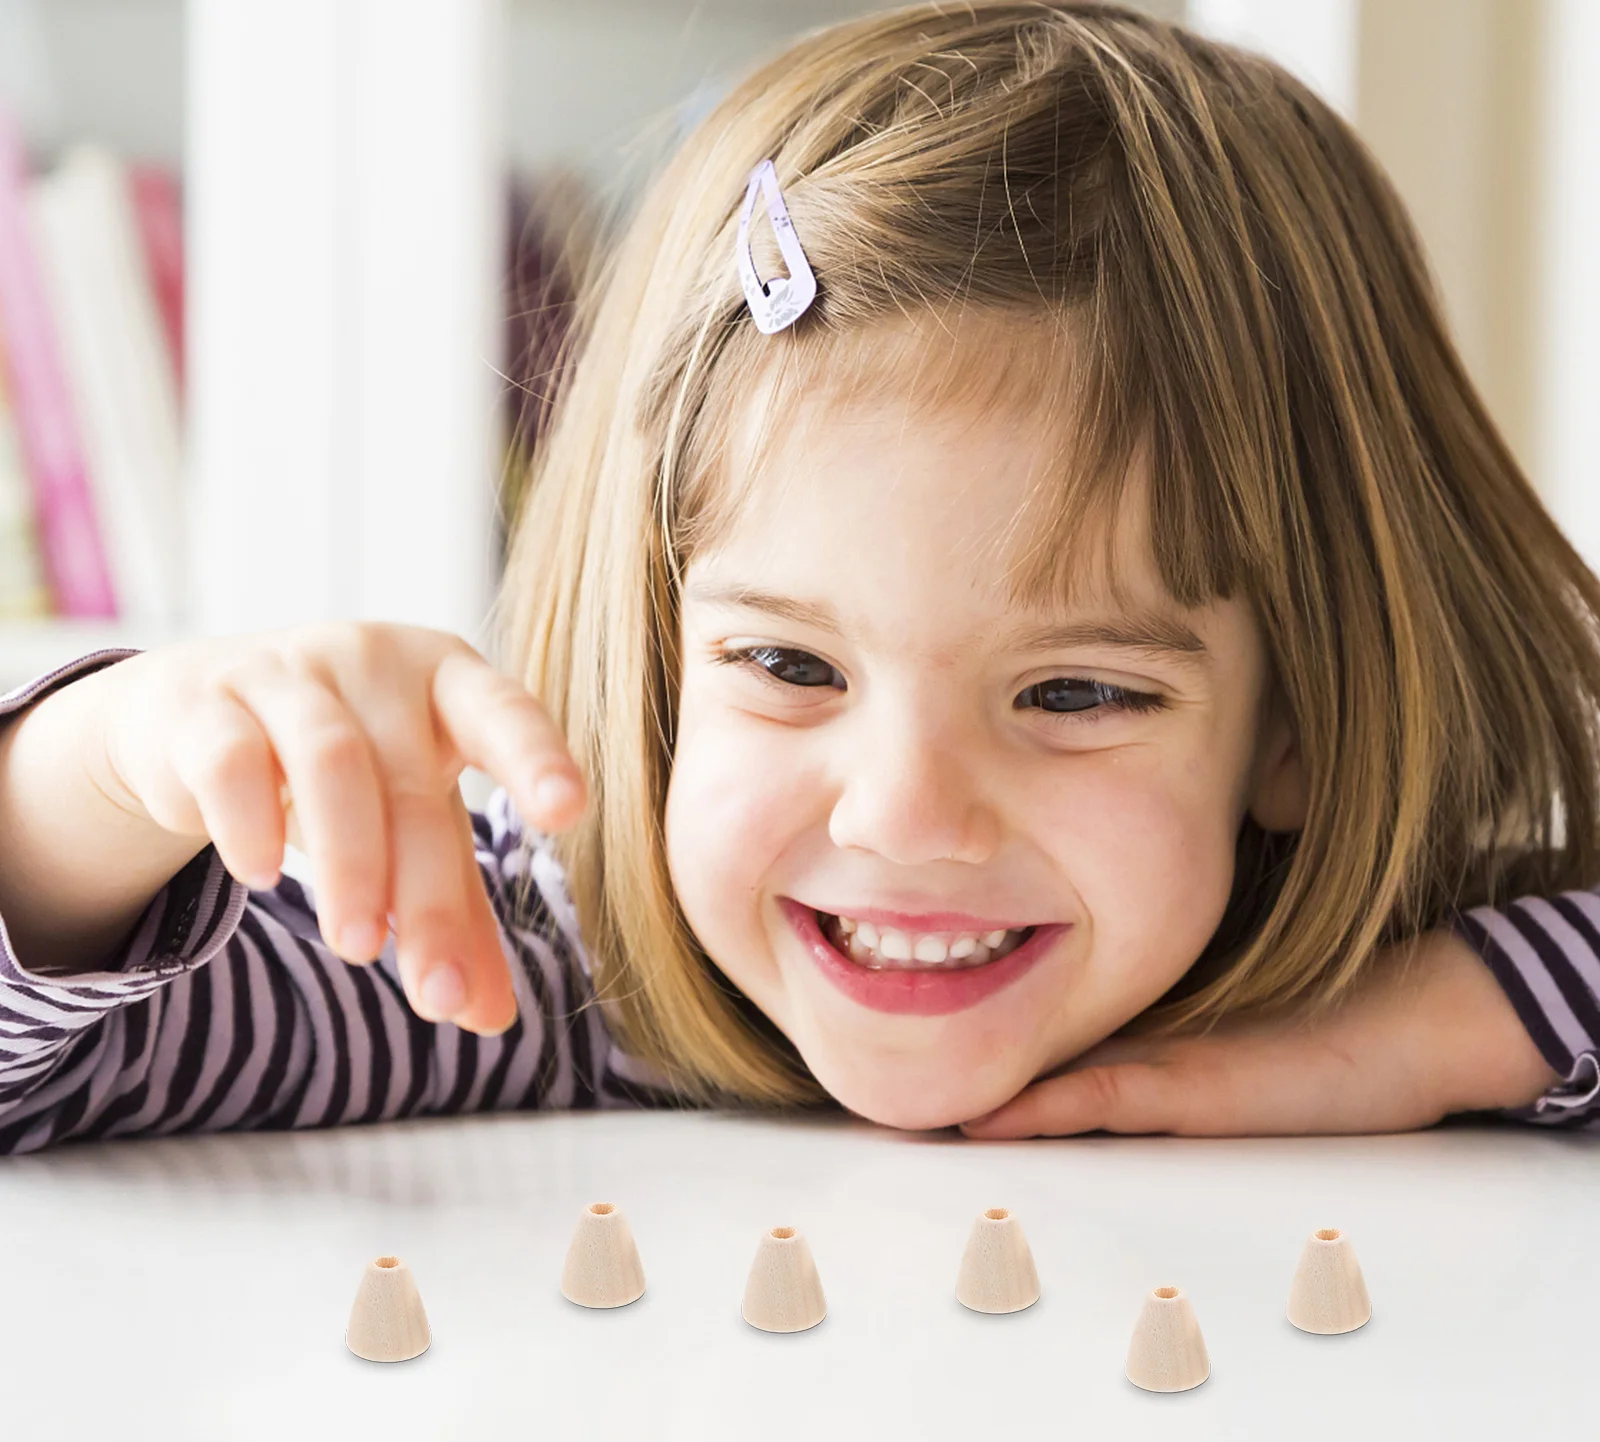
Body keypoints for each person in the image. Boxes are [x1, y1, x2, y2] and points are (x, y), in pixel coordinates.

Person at [2, 1, 1597, 1157]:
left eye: (1079, 692)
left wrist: (1429, 1025)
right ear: (657, 646)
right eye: (789, 668)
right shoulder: (515, 956)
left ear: (1299, 720)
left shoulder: (1405, 951)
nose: (902, 818)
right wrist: (87, 781)